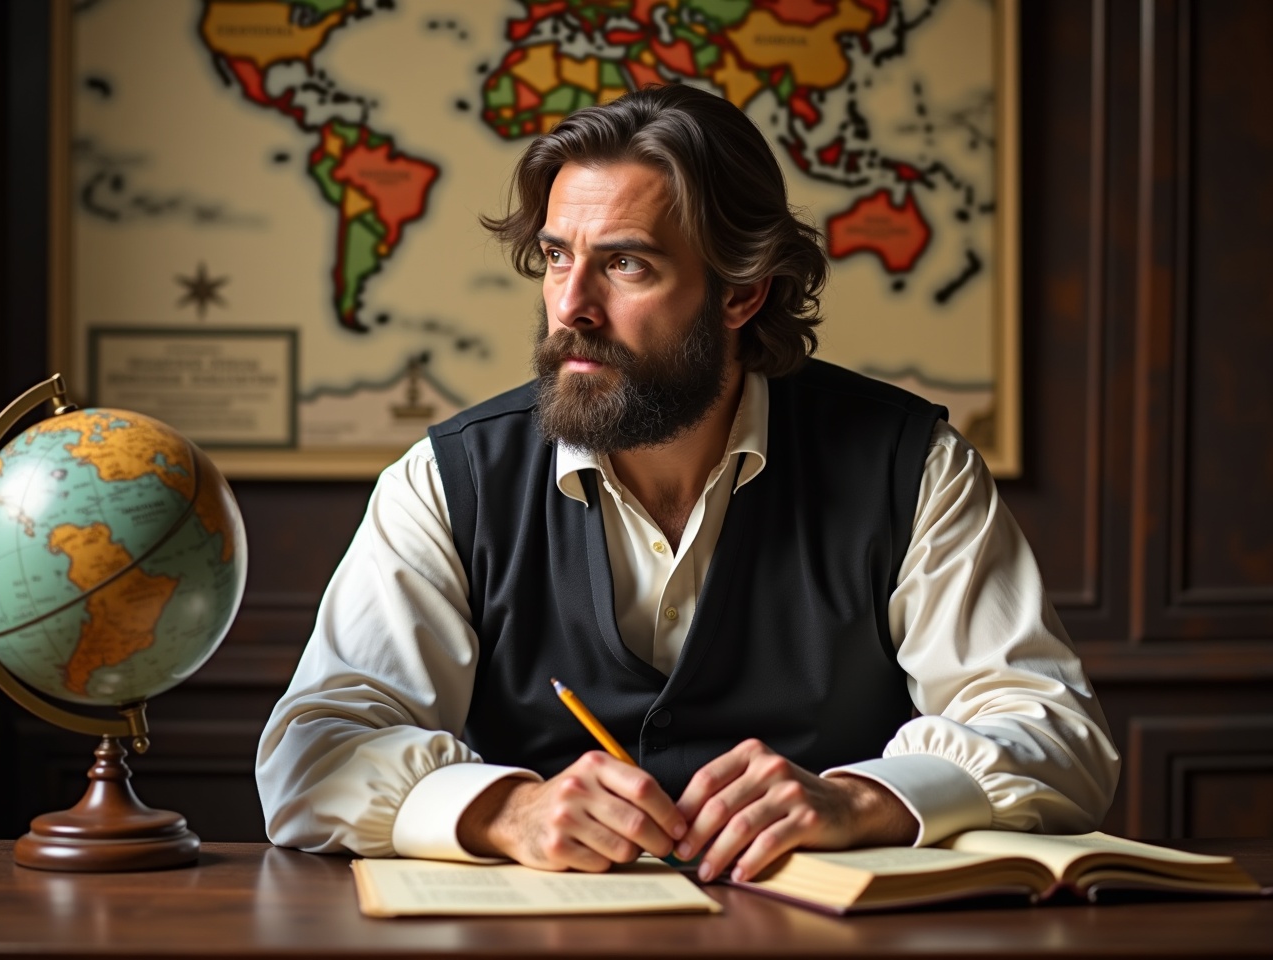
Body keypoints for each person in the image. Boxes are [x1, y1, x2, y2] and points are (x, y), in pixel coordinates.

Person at [257, 84, 1120, 885]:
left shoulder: (911, 466)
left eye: (626, 265)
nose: (572, 307)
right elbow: (310, 754)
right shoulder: (448, 481)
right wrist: (502, 810)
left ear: (742, 292)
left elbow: (1057, 732)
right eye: (558, 257)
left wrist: (867, 800)